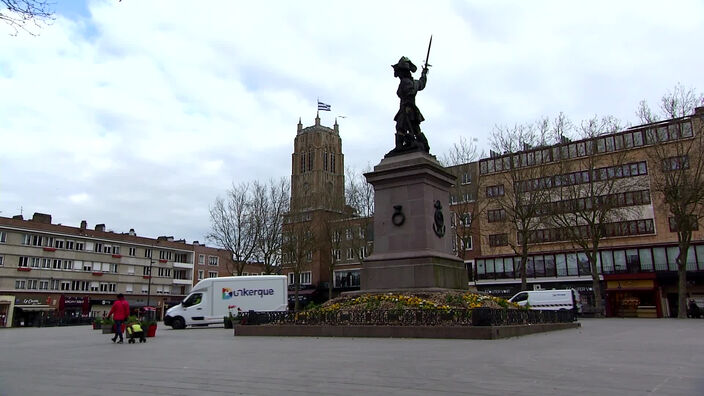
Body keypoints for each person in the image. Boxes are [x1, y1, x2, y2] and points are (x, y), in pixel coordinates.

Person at [391, 56, 430, 153]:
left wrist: (407, 106)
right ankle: (424, 145)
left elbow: (410, 92)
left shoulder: (405, 82)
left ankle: (400, 147)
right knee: (415, 129)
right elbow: (422, 83)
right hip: (410, 108)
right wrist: (424, 74)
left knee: (401, 128)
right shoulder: (414, 82)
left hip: (406, 108)